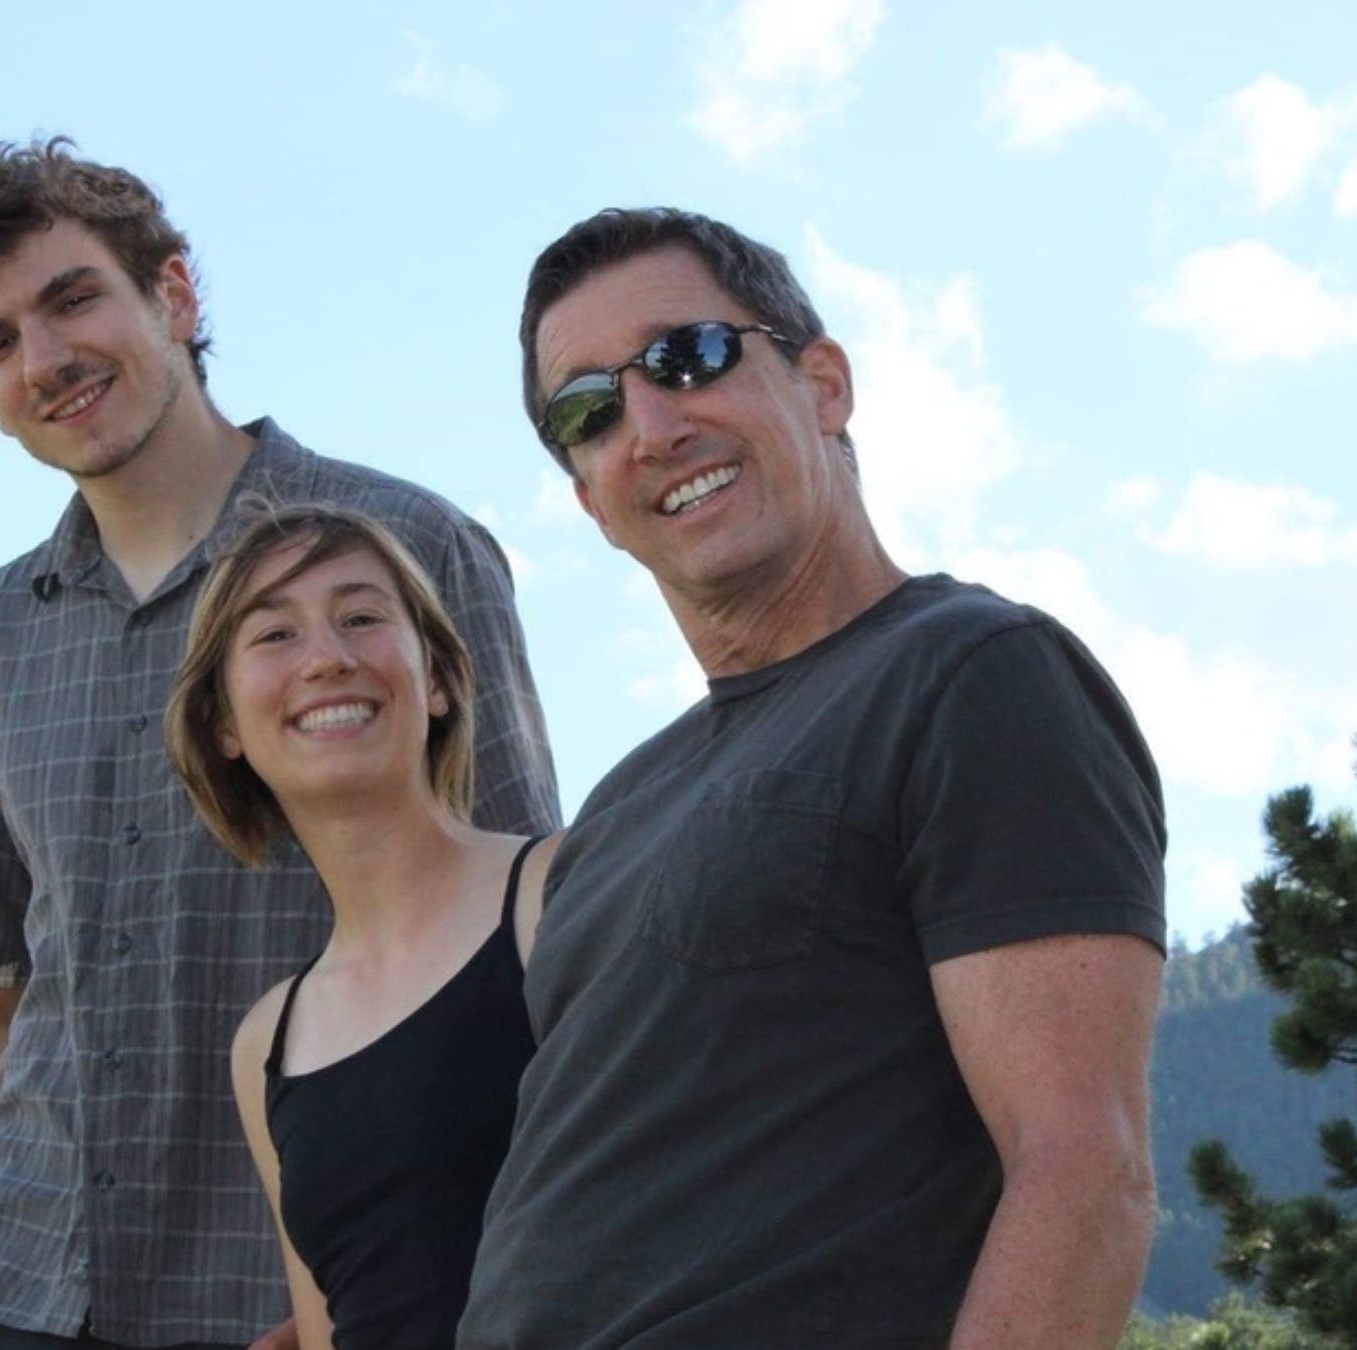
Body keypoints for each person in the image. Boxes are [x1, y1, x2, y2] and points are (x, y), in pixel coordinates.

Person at [0, 138, 558, 1350]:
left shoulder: (403, 550)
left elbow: (528, 949)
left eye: (73, 298)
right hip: (7, 1282)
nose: (44, 361)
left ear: (177, 297)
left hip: (277, 1286)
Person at [455, 208, 1168, 1349]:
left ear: (823, 382)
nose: (650, 425)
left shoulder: (970, 673)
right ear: (589, 499)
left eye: (687, 357)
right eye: (588, 410)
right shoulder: (614, 814)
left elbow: (1085, 1167)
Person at [163, 503, 556, 1350]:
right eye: (274, 636)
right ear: (224, 724)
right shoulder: (266, 1045)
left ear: (440, 680)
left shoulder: (559, 895)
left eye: (363, 617)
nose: (328, 660)